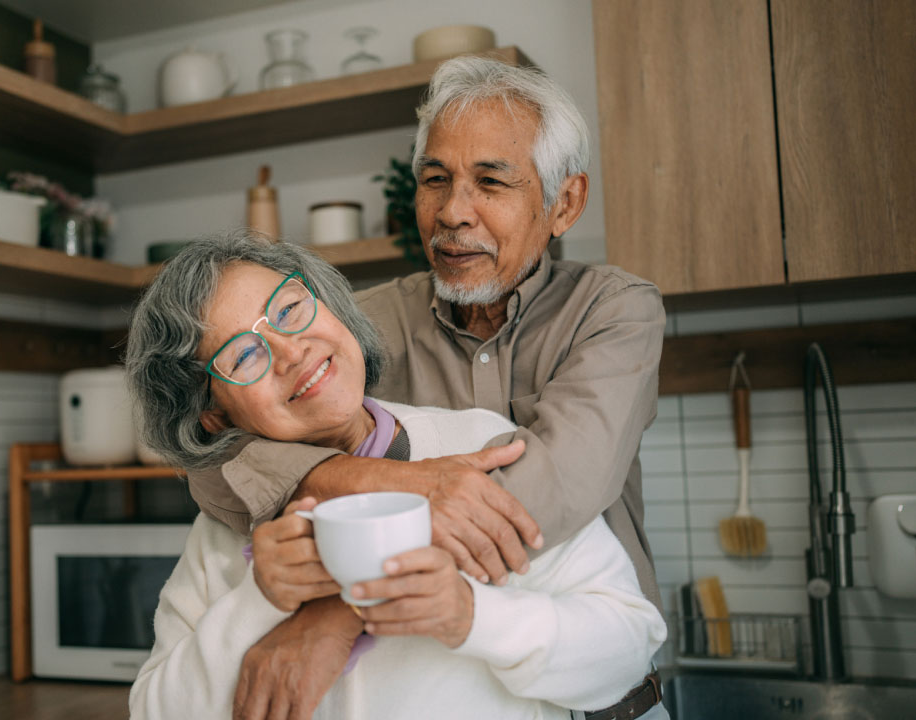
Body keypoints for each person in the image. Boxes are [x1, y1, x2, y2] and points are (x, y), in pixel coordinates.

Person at [185, 55, 667, 709]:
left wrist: (340, 612)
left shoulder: (615, 310)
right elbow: (212, 463)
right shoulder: (363, 326)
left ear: (565, 203)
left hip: (603, 695)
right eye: (435, 180)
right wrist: (368, 480)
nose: (452, 213)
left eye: (491, 183)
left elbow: (552, 486)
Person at [124, 232, 667, 720]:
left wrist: (473, 616)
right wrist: (260, 599)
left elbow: (625, 648)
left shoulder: (477, 447)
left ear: (330, 307)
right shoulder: (225, 533)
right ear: (214, 414)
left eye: (289, 309)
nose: (291, 351)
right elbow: (155, 711)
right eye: (242, 355)